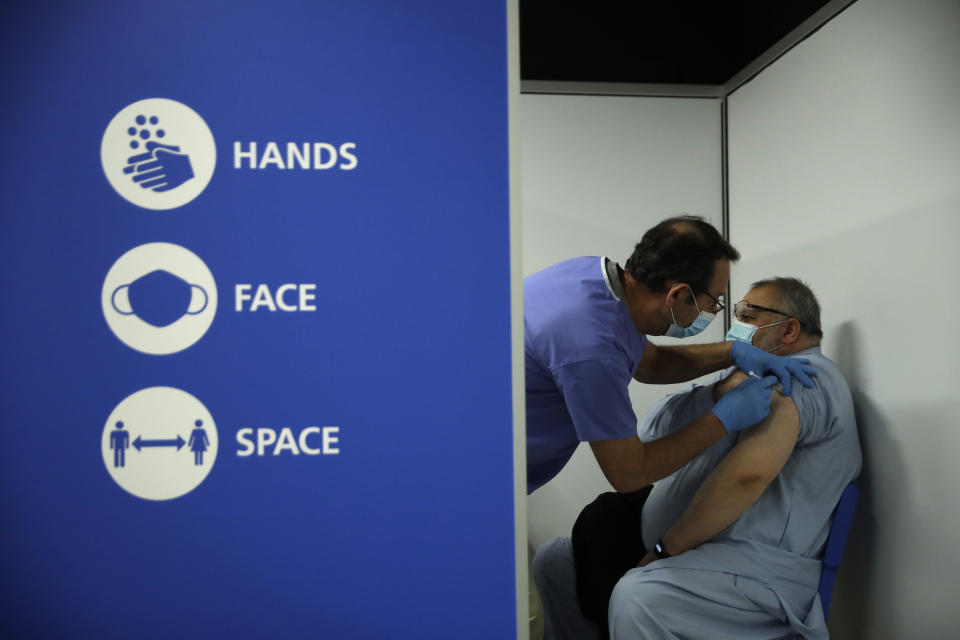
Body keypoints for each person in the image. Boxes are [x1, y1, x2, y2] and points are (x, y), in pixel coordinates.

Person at [533, 277, 862, 640]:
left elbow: (747, 476)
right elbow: (654, 428)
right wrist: (720, 392)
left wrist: (663, 550)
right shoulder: (739, 376)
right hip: (696, 552)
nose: (737, 326)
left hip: (751, 567)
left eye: (749, 316)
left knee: (639, 597)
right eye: (737, 314)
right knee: (555, 562)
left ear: (789, 330)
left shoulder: (803, 378)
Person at [524, 216, 815, 495]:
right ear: (677, 295)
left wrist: (732, 351)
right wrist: (722, 418)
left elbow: (651, 363)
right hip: (493, 467)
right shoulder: (593, 349)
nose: (714, 312)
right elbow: (629, 474)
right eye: (714, 301)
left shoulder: (592, 278)